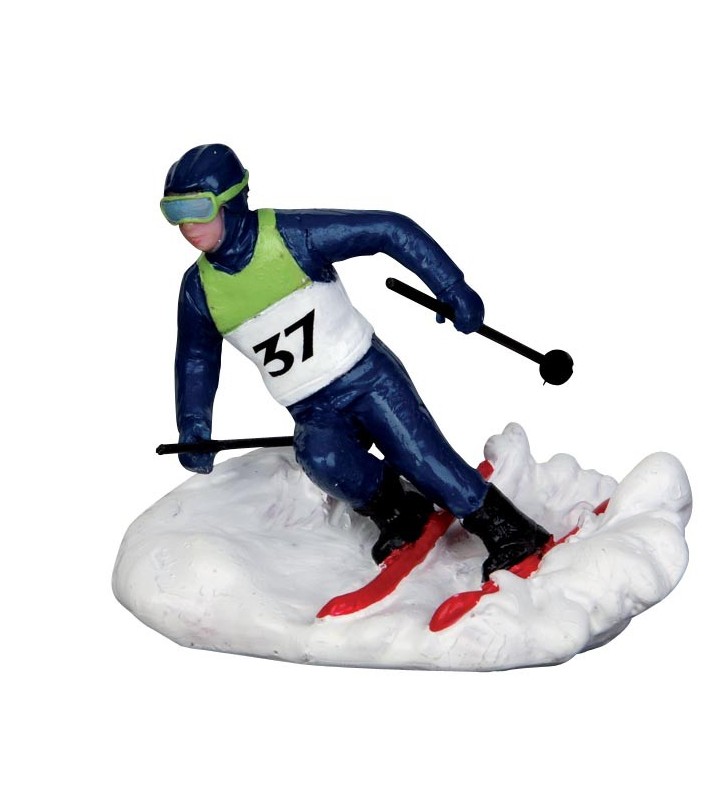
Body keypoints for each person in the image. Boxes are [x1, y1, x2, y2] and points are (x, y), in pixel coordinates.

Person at [162, 143, 550, 580]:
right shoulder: (199, 290)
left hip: (366, 378)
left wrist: (451, 287)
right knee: (322, 458)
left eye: (196, 208)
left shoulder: (289, 237)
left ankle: (511, 532)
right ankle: (402, 513)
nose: (186, 226)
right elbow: (196, 358)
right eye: (173, 212)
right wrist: (193, 426)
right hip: (312, 408)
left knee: (421, 457)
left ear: (232, 200)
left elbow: (388, 229)